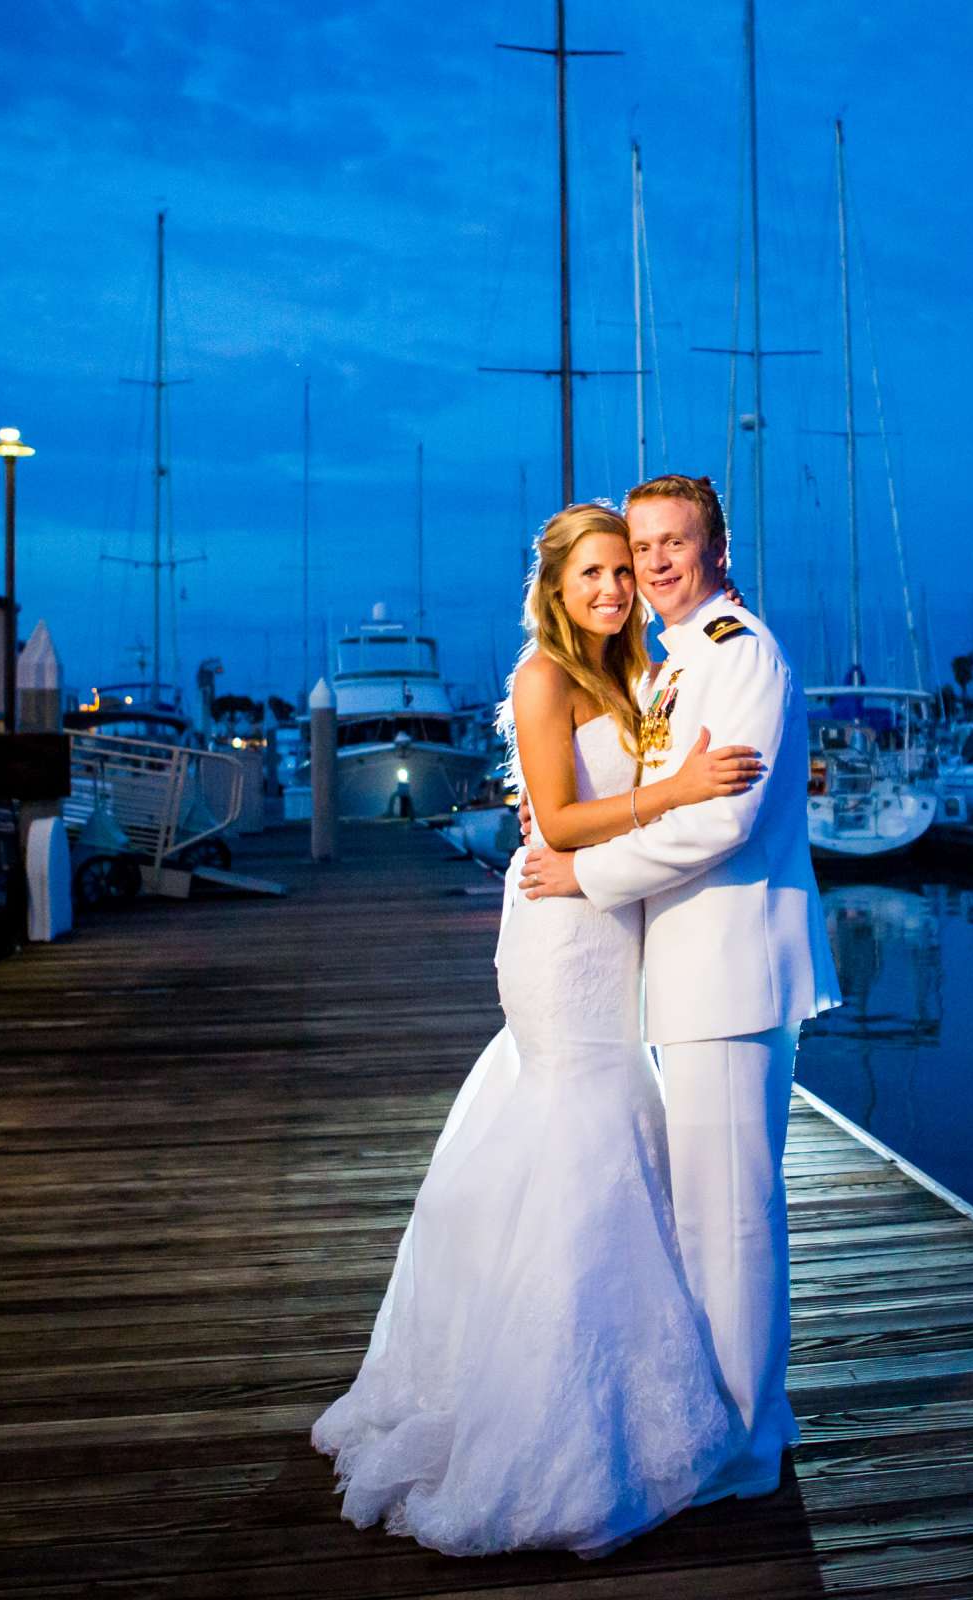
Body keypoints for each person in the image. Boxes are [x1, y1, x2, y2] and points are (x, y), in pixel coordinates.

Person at [312, 501, 768, 1557]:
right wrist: (686, 788)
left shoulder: (633, 674)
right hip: (562, 931)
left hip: (615, 930)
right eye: (594, 575)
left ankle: (613, 1386)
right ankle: (549, 1416)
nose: (615, 589)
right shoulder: (542, 678)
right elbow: (557, 822)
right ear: (555, 587)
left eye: (624, 572)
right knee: (581, 1122)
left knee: (607, 1129)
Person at [521, 473, 841, 1504]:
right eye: (642, 544)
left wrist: (584, 874)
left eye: (674, 542)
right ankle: (742, 1418)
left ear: (719, 549)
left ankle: (746, 1450)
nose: (655, 562)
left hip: (733, 972)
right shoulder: (674, 667)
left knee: (732, 1218)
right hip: (691, 976)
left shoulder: (740, 654)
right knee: (706, 1212)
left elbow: (718, 821)